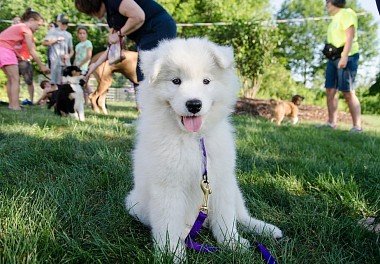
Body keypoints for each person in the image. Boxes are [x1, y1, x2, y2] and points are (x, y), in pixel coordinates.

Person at [74, 0, 177, 83]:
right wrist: (95, 65)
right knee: (143, 73)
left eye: (90, 11)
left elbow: (138, 16)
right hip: (147, 35)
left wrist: (119, 34)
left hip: (158, 27)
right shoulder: (111, 18)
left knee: (147, 72)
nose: (92, 15)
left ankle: (151, 107)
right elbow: (112, 49)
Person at [321, 0, 362, 132]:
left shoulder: (347, 13)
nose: (326, 6)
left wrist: (344, 56)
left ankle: (357, 126)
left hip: (347, 56)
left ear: (334, 2)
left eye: (327, 3)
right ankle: (331, 123)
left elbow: (350, 36)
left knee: (347, 91)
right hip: (334, 58)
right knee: (330, 90)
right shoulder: (334, 19)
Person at [0, 8, 49, 110]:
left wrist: (17, 55)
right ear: (31, 20)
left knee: (11, 79)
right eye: (38, 25)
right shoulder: (26, 29)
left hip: (3, 49)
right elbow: (32, 50)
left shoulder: (18, 27)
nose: (38, 28)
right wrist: (42, 65)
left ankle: (12, 105)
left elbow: (7, 40)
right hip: (5, 50)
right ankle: (15, 106)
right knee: (15, 79)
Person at [42, 14, 74, 90]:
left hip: (65, 62)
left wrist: (68, 56)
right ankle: (54, 100)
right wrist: (55, 40)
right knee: (54, 82)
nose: (64, 25)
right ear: (58, 22)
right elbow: (44, 43)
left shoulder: (69, 35)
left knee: (66, 82)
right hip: (55, 61)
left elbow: (72, 50)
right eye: (63, 23)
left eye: (66, 23)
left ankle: (64, 100)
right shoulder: (52, 31)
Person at [12, 16, 35, 106]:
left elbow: (32, 46)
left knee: (29, 81)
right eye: (15, 21)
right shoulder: (11, 34)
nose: (17, 23)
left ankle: (31, 101)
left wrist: (31, 56)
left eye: (18, 21)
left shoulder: (27, 33)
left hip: (25, 61)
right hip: (13, 61)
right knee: (14, 81)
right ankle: (14, 101)